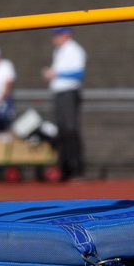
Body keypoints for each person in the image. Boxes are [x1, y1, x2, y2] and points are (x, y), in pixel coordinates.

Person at [42, 27, 86, 179]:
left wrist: (56, 74)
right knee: (61, 130)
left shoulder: (75, 50)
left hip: (69, 93)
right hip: (59, 93)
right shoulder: (58, 51)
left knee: (70, 129)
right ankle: (65, 168)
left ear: (66, 35)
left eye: (58, 35)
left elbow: (79, 73)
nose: (55, 38)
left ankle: (76, 168)